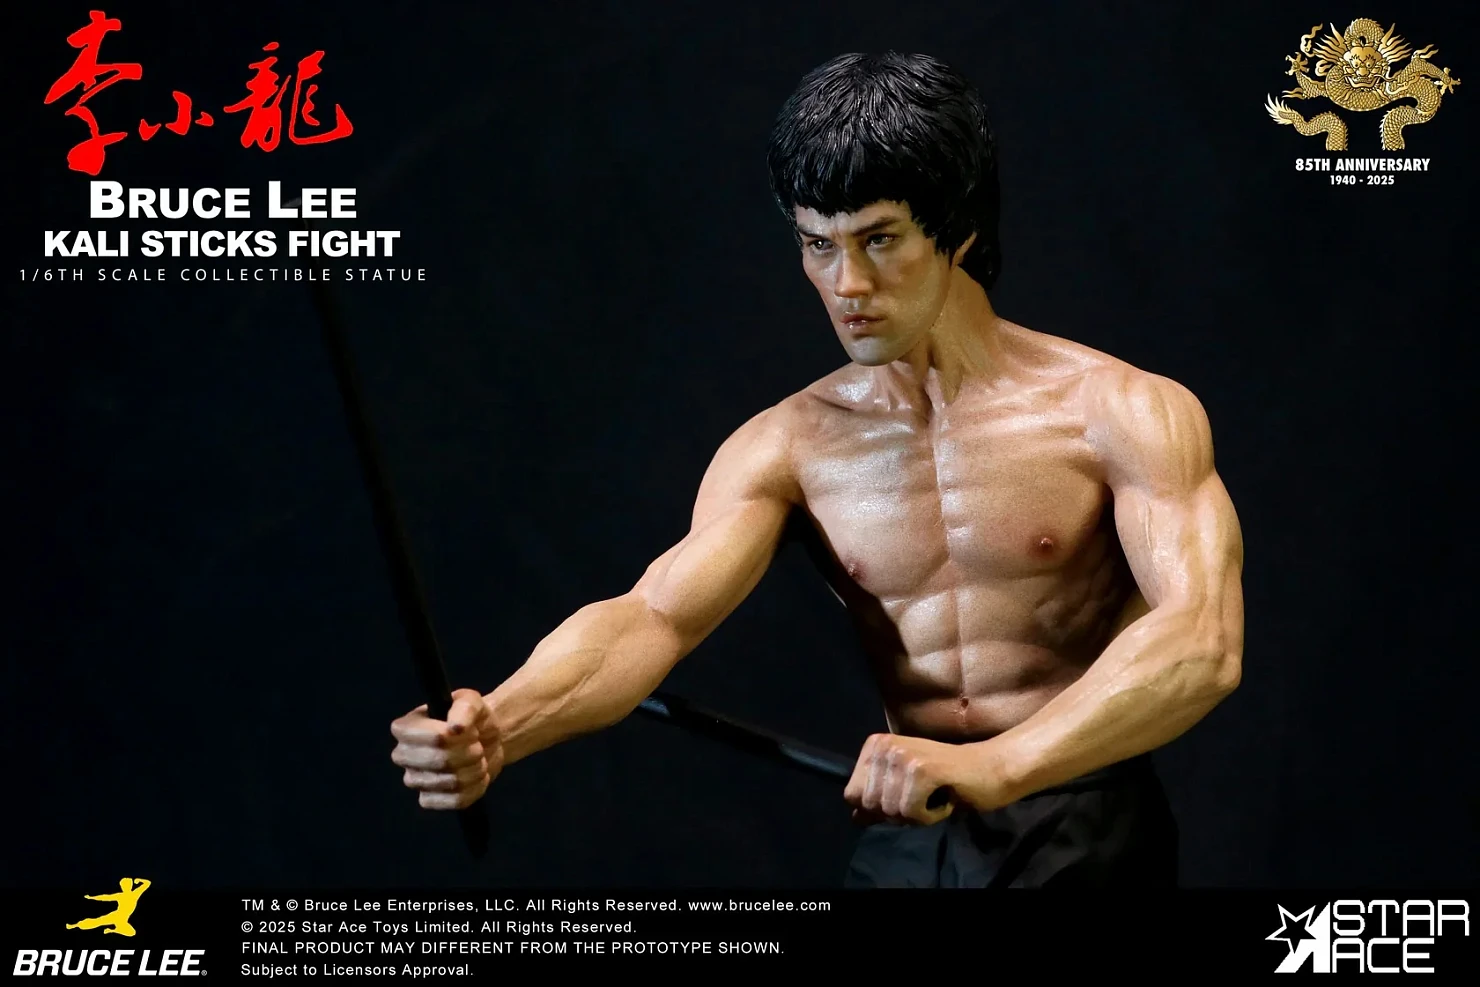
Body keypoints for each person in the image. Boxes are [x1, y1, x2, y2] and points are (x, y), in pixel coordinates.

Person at [389, 51, 1244, 887]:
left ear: (957, 231)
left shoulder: (1117, 409)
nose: (848, 284)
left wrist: (1001, 763)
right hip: (912, 823)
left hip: (1080, 813)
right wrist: (499, 724)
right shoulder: (788, 444)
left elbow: (1202, 640)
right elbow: (651, 617)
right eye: (818, 245)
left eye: (879, 240)